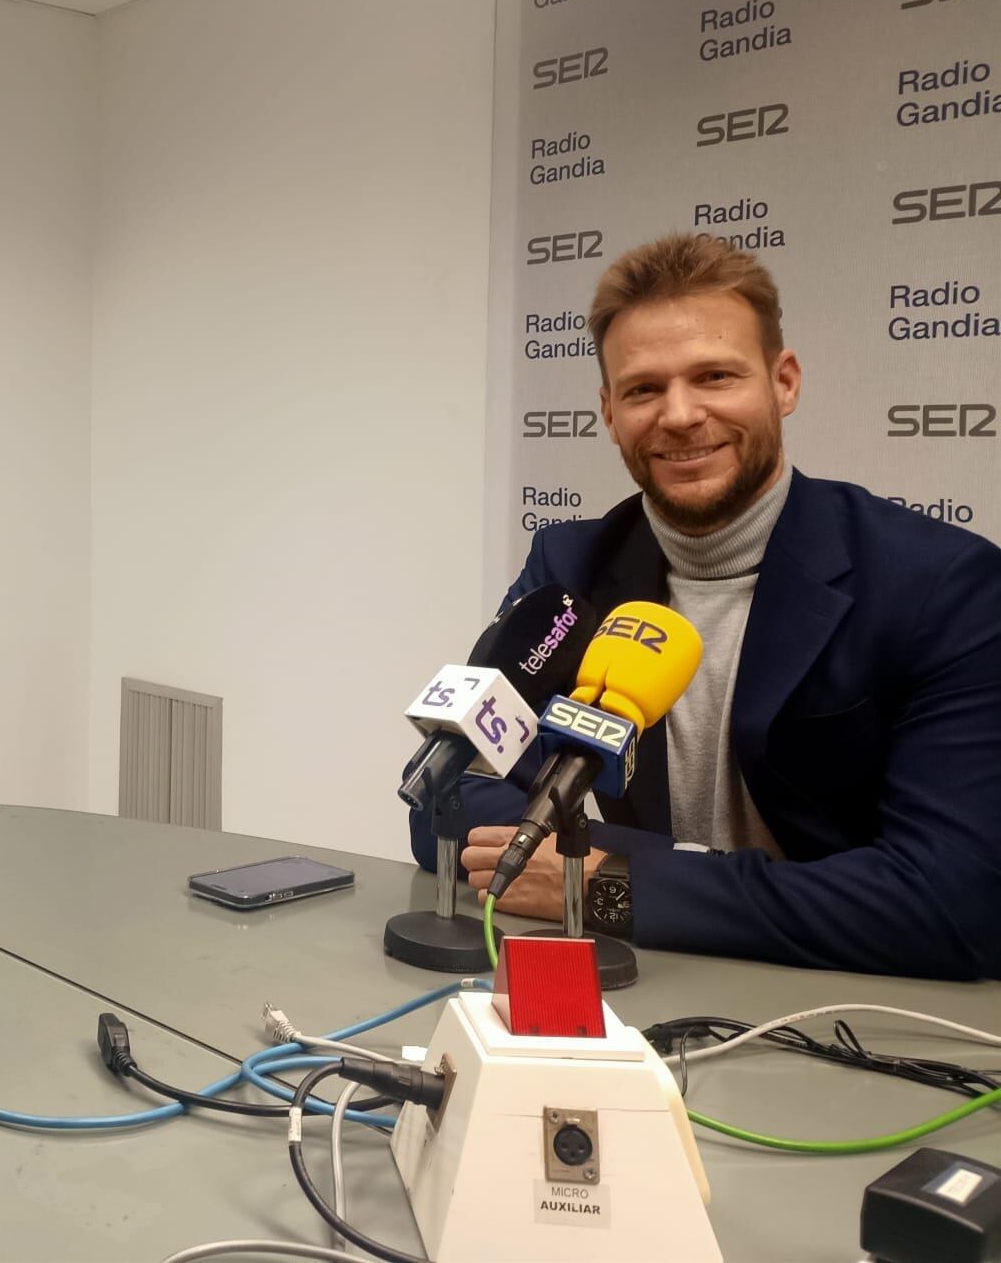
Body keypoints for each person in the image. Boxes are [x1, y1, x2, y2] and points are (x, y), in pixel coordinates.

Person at [412, 232, 1001, 980]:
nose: (681, 415)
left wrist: (614, 880)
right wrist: (667, 878)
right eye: (643, 390)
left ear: (783, 383)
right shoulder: (571, 566)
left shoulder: (942, 585)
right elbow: (447, 798)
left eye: (715, 376)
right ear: (609, 411)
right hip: (653, 985)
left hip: (852, 1000)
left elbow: (952, 901)